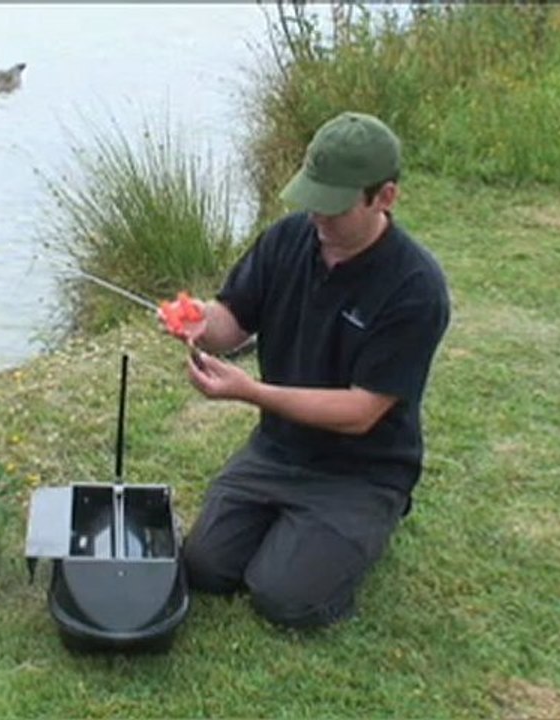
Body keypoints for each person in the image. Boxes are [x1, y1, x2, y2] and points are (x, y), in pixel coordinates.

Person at [172, 111, 450, 629]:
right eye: (312, 199)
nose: (318, 219)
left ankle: (374, 520)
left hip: (361, 470)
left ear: (384, 197)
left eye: (335, 206)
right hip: (277, 449)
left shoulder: (415, 287)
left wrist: (251, 392)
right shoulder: (287, 240)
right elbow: (232, 323)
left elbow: (361, 412)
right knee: (204, 567)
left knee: (283, 599)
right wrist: (198, 322)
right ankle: (297, 529)